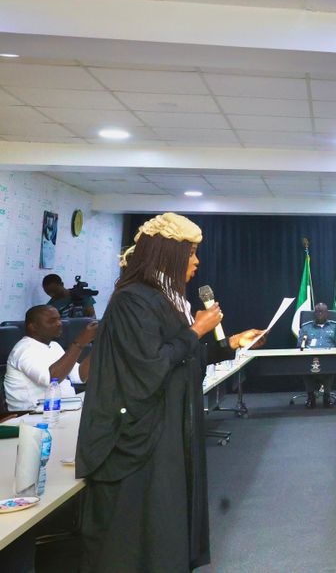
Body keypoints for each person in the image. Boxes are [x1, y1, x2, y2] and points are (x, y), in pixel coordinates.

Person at [77, 212, 265, 572]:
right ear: (169, 254)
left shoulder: (164, 299)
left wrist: (231, 344)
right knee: (136, 543)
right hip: (137, 443)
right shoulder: (133, 300)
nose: (195, 261)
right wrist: (195, 330)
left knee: (164, 533)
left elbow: (181, 362)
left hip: (166, 432)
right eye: (191, 252)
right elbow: (150, 367)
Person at [4, 304, 96, 410]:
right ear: (33, 327)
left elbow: (80, 376)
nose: (59, 324)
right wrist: (80, 342)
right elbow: (51, 380)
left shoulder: (54, 346)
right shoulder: (23, 350)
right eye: (52, 321)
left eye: (59, 319)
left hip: (62, 409)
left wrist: (98, 345)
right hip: (30, 416)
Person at [298, 302, 336, 408]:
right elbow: (299, 345)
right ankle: (311, 397)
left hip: (328, 358)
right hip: (309, 358)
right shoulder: (306, 327)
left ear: (327, 313)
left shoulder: (334, 327)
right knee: (305, 369)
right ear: (314, 313)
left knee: (328, 369)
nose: (319, 314)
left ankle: (327, 397)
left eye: (322, 311)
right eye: (317, 311)